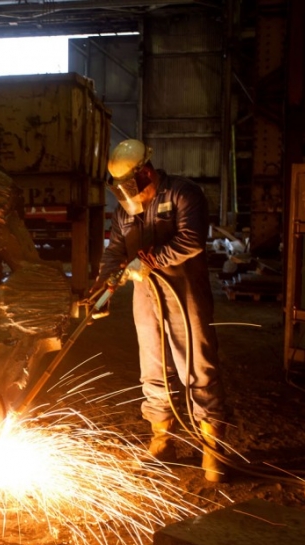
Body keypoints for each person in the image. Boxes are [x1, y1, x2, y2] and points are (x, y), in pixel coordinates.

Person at [90, 138, 228, 482]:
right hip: (146, 298)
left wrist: (149, 259)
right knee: (153, 368)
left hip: (185, 294)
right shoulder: (126, 211)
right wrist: (103, 285)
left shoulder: (183, 194)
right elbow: (115, 251)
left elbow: (191, 240)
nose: (127, 194)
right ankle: (162, 441)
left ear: (146, 172)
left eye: (129, 185)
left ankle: (213, 449)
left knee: (197, 368)